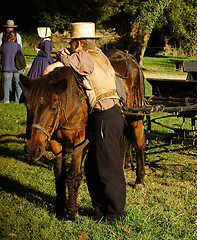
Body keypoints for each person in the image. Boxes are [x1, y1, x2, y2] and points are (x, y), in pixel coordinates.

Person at [43, 22, 126, 223]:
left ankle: (115, 214)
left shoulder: (85, 57)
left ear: (78, 43)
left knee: (107, 167)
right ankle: (99, 210)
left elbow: (66, 68)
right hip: (111, 114)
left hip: (104, 116)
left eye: (72, 43)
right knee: (92, 166)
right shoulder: (99, 54)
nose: (71, 46)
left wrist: (63, 57)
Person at [0, 20, 22, 100]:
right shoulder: (2, 35)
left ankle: (7, 99)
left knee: (9, 83)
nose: (9, 29)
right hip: (14, 65)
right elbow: (21, 55)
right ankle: (17, 99)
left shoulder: (4, 45)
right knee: (12, 83)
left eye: (11, 27)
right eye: (8, 27)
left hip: (7, 64)